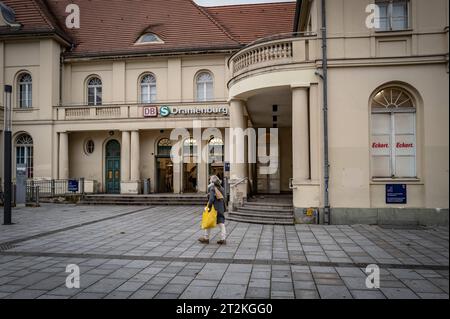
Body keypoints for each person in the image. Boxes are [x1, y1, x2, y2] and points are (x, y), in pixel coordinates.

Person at [198, 175, 227, 245]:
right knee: (221, 224)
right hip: (221, 208)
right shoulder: (222, 188)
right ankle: (223, 239)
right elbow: (224, 198)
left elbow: (211, 199)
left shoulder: (212, 188)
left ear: (212, 181)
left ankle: (206, 238)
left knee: (208, 222)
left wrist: (209, 207)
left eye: (210, 180)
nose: (209, 181)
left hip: (214, 208)